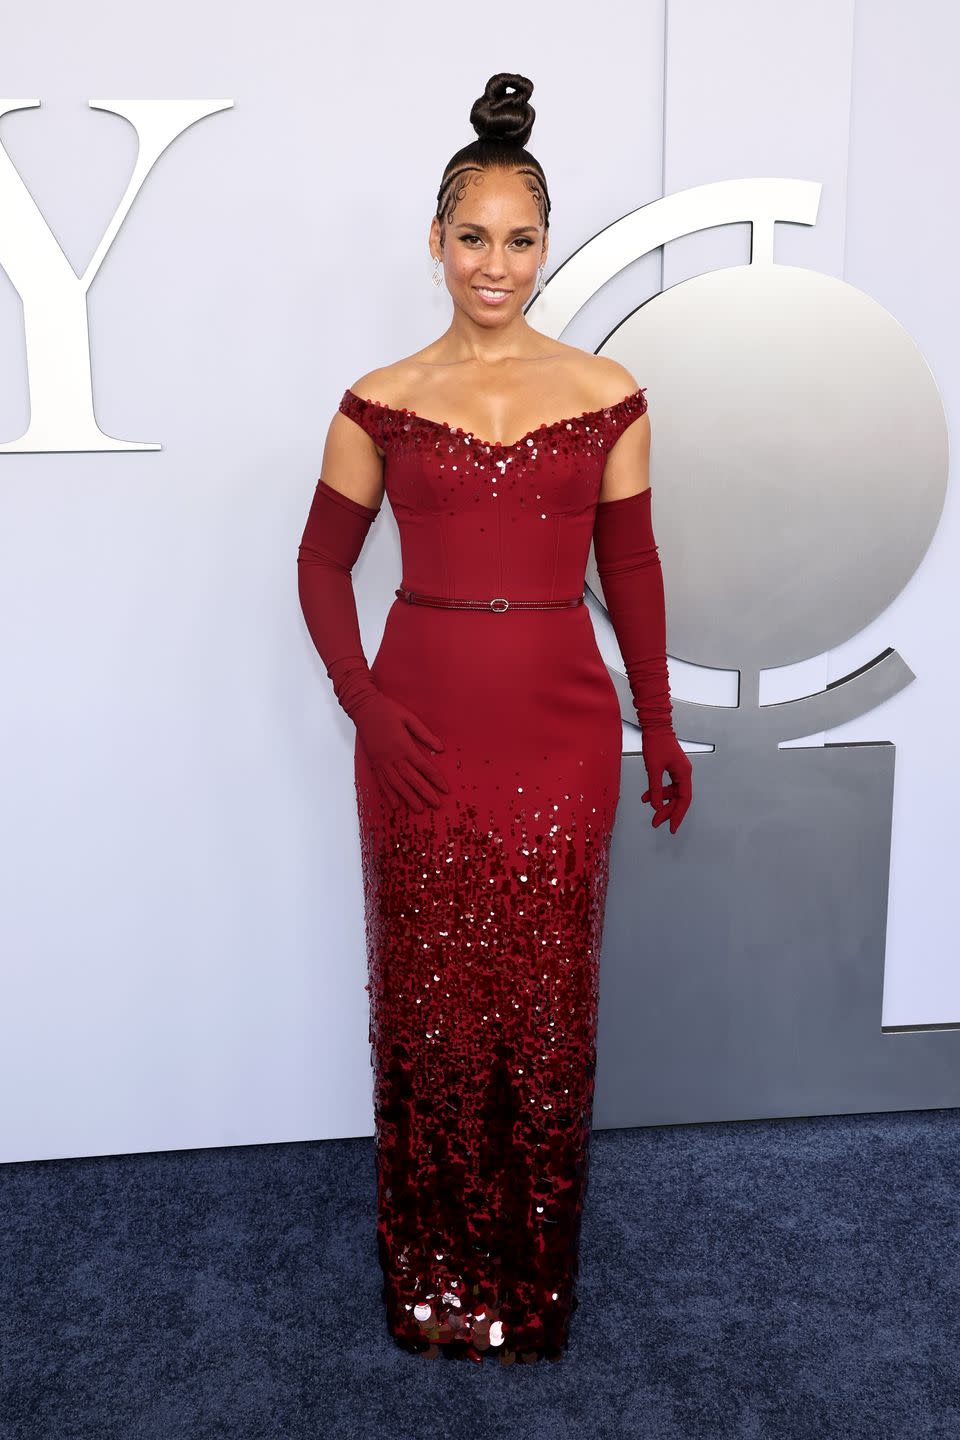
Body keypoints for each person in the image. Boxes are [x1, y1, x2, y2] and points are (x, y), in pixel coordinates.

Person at [297, 71, 693, 1365]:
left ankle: (527, 1281)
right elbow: (317, 564)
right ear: (435, 242)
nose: (496, 263)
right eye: (473, 236)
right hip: (417, 723)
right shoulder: (379, 399)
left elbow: (630, 572)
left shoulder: (608, 392)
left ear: (544, 245)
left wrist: (661, 724)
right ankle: (433, 1279)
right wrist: (362, 702)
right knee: (427, 995)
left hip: (562, 731)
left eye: (520, 239)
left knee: (543, 996)